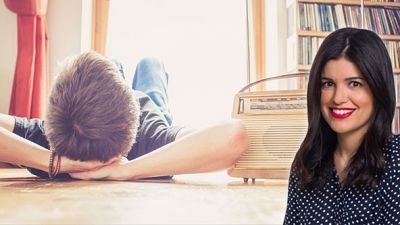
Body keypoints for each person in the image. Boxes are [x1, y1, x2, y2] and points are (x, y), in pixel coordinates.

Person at [0, 51, 248, 180]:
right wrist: (126, 170)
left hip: (136, 109)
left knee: (118, 64)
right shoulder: (152, 140)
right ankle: (118, 66)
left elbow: (231, 135)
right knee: (151, 65)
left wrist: (54, 163)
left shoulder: (46, 139)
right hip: (152, 112)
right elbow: (232, 136)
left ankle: (114, 66)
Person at [284, 27, 400, 224]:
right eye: (328, 84)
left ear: (378, 88)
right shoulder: (306, 162)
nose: (338, 98)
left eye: (354, 84)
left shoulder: (396, 159)